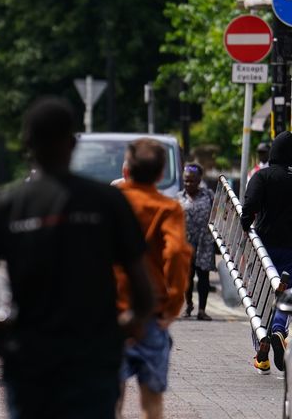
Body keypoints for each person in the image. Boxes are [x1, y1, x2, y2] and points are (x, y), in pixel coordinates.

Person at [0, 98, 154, 419]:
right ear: (73, 143)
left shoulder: (3, 206)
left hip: (30, 360)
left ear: (27, 144)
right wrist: (126, 327)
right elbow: (145, 291)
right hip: (93, 358)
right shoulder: (109, 202)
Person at [114, 138, 192, 419]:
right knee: (152, 403)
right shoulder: (168, 209)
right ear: (161, 175)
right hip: (152, 314)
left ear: (125, 171)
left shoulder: (109, 204)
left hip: (111, 314)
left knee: (111, 400)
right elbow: (177, 254)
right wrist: (172, 306)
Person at [241, 131, 292, 374]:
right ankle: (279, 329)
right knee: (286, 292)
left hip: (265, 247)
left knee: (260, 296)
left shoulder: (263, 176)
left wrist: (244, 225)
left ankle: (261, 353)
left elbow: (249, 206)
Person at [178, 163, 215, 321]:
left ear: (199, 180)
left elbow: (219, 215)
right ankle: (189, 305)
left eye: (192, 181)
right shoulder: (179, 198)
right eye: (186, 181)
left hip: (204, 243)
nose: (188, 184)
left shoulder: (208, 196)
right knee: (187, 277)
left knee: (203, 277)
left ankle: (202, 310)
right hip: (185, 243)